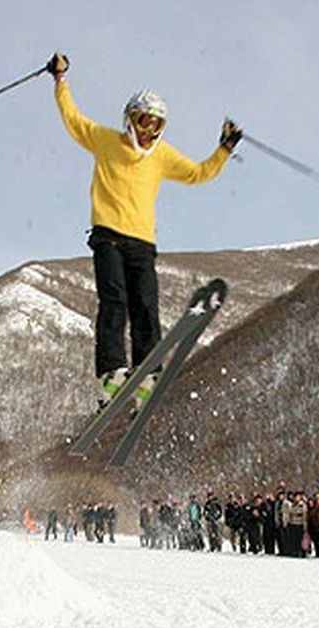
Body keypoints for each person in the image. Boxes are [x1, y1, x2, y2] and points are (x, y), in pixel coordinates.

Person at [46, 52, 242, 408]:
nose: (147, 131)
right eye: (142, 122)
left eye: (155, 124)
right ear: (129, 121)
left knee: (146, 306)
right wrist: (60, 80)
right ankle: (111, 374)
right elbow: (72, 119)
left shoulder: (162, 156)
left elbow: (198, 173)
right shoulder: (105, 141)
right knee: (115, 301)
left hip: (141, 243)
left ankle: (147, 374)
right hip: (108, 237)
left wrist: (224, 149)